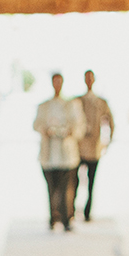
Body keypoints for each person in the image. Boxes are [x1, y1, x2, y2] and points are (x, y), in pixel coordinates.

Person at [34, 72, 85, 232]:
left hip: (66, 155)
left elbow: (79, 127)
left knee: (67, 189)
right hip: (48, 155)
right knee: (52, 188)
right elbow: (37, 124)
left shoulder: (71, 105)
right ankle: (53, 216)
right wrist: (47, 130)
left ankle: (66, 217)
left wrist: (68, 131)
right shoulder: (44, 106)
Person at [74, 69, 115, 223]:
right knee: (75, 180)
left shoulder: (101, 103)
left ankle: (87, 211)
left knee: (91, 182)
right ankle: (72, 208)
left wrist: (107, 142)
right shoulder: (78, 101)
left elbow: (111, 123)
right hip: (79, 148)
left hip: (94, 148)